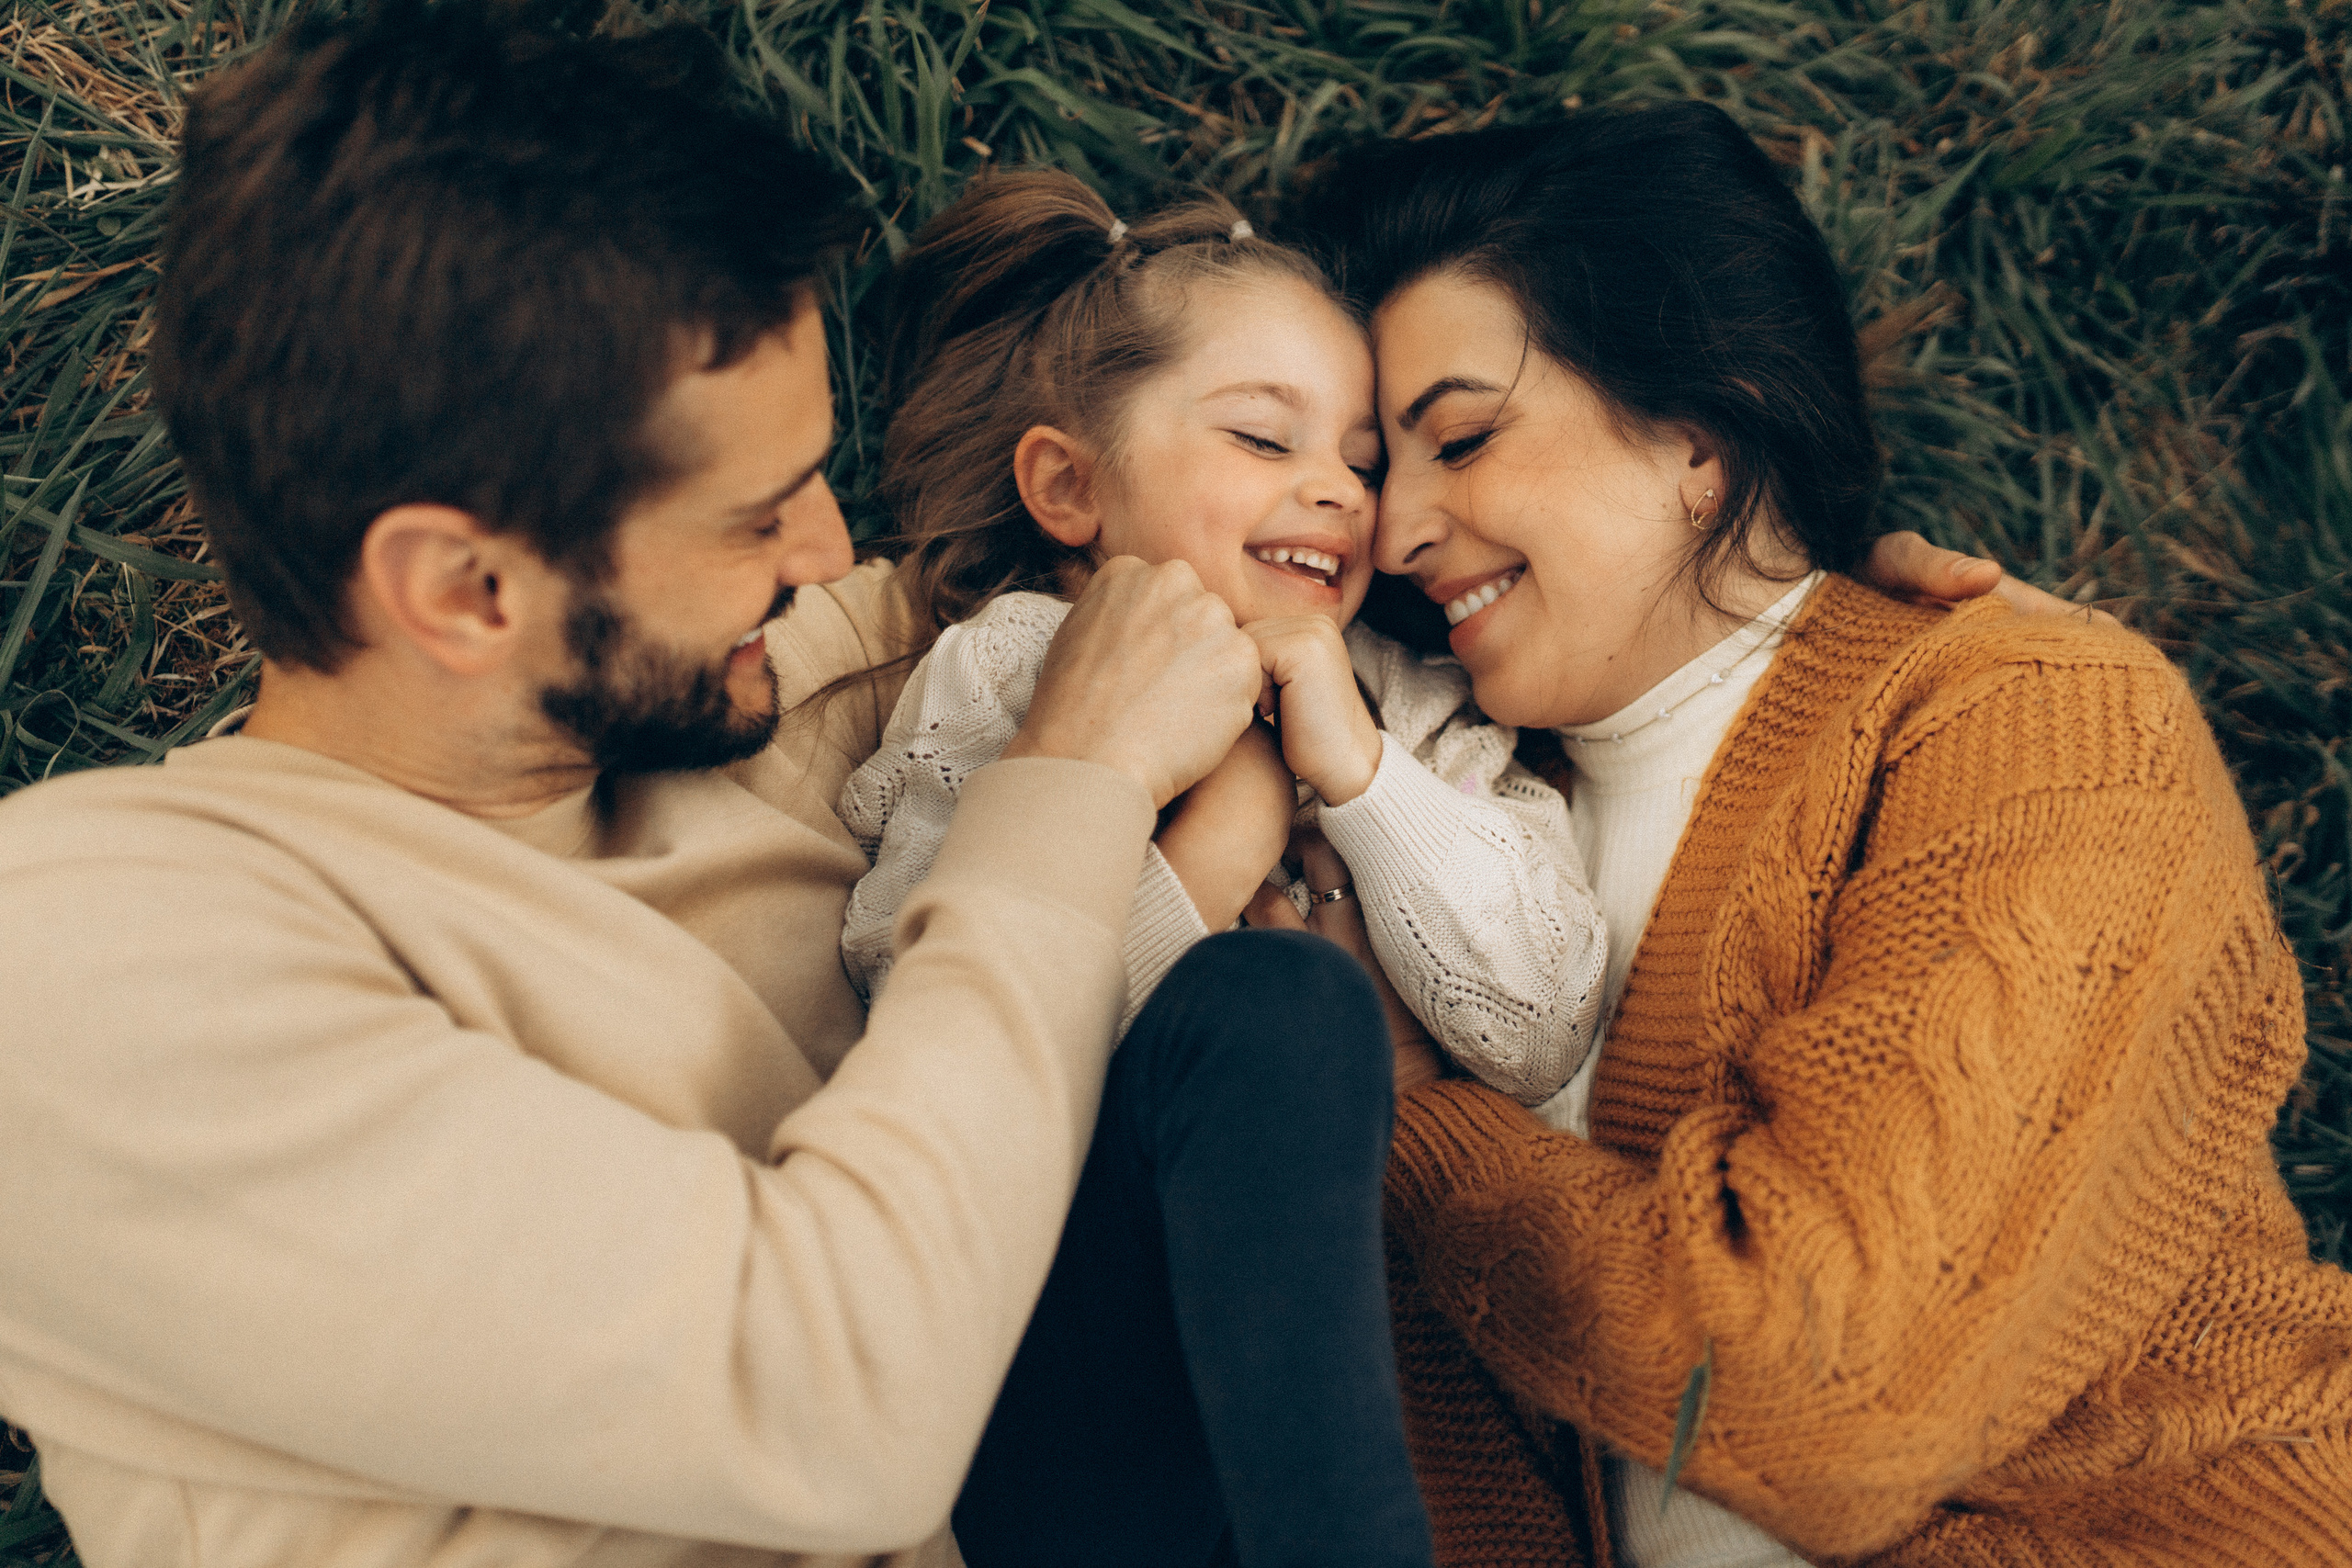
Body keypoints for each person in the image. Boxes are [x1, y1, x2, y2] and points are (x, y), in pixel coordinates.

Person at [0, 8, 1440, 1565]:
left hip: (1062, 1474)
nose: (824, 548)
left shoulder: (766, 699)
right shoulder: (83, 951)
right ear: (468, 586)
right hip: (891, 1436)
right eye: (759, 515)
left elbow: (1114, 574)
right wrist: (1077, 784)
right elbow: (838, 1407)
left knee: (1270, 1019)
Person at [1288, 104, 2352, 1567]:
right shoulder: (1429, 817)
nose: (1395, 525)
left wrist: (1407, 1107)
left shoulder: (2030, 719)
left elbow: (1832, 1398)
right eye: (1367, 463)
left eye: (1462, 437)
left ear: (1698, 431)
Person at [835, 170, 1603, 1097]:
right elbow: (935, 1055)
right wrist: (1223, 842)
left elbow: (1542, 1038)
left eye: (1364, 463)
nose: (1340, 490)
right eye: (1262, 438)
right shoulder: (1009, 672)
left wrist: (1366, 777)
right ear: (1070, 486)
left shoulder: (1412, 704)